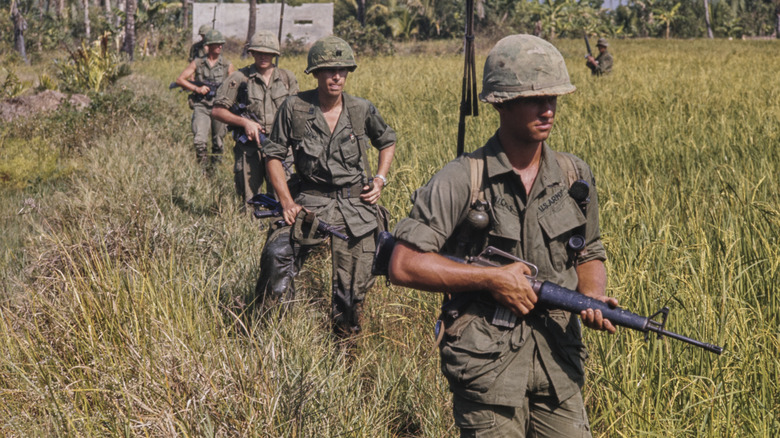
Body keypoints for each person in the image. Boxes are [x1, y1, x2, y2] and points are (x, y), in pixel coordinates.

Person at [388, 34, 617, 437]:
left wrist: (592, 294)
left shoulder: (573, 175)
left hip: (557, 363)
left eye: (553, 99)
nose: (548, 110)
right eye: (534, 99)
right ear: (501, 102)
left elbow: (589, 252)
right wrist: (491, 278)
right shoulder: (462, 178)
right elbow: (404, 264)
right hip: (486, 367)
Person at [257, 36, 396, 337]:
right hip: (308, 200)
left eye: (342, 70)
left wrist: (380, 180)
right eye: (329, 70)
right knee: (277, 254)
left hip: (354, 208)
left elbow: (387, 141)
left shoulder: (361, 110)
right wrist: (286, 202)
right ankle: (272, 331)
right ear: (316, 73)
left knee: (352, 288)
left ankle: (345, 344)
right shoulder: (294, 108)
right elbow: (273, 156)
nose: (336, 76)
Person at [212, 31, 299, 204]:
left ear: (275, 54)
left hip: (280, 147)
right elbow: (217, 111)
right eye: (259, 52)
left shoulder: (286, 78)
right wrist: (245, 122)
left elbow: (296, 114)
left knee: (283, 199)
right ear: (252, 52)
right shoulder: (239, 78)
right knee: (250, 200)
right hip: (250, 149)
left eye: (267, 52)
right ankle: (251, 230)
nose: (263, 56)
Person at [175, 29, 234, 171]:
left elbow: (234, 85)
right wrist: (197, 89)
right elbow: (180, 80)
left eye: (221, 44)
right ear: (208, 45)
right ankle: (203, 169)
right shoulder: (198, 63)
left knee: (218, 142)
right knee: (199, 141)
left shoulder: (227, 65)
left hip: (220, 107)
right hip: (202, 105)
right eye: (216, 44)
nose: (220, 46)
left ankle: (214, 170)